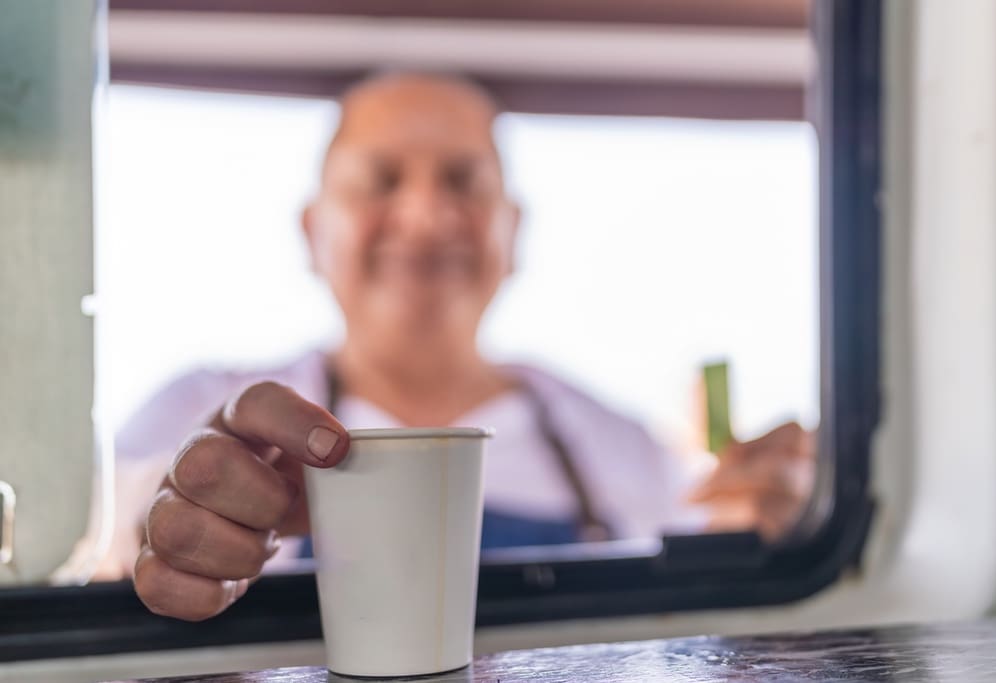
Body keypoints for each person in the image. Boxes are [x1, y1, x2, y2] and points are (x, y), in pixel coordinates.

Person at [118, 72, 814, 621]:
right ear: (311, 230)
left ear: (514, 231)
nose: (425, 216)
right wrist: (167, 529)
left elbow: (687, 627)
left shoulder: (623, 448)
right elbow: (98, 547)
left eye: (463, 180)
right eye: (381, 179)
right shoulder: (195, 411)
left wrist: (776, 534)